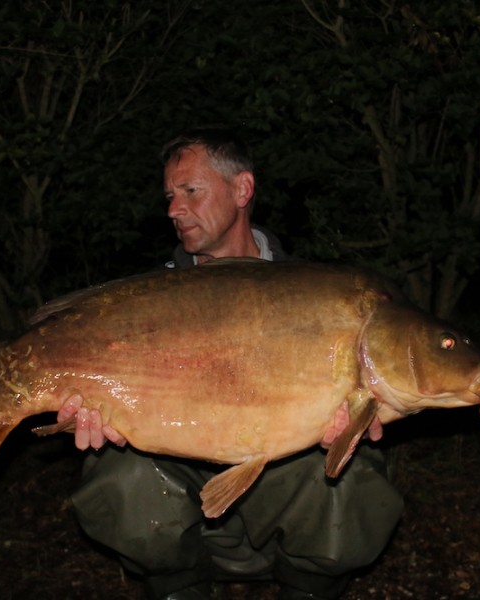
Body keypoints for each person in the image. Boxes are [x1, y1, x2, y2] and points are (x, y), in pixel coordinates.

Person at [56, 128, 404, 600]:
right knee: (121, 476)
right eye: (170, 196)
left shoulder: (315, 293)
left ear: (242, 189)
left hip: (285, 489)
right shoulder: (151, 298)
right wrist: (92, 412)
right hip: (181, 488)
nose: (174, 209)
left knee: (354, 477)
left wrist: (352, 428)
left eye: (191, 191)